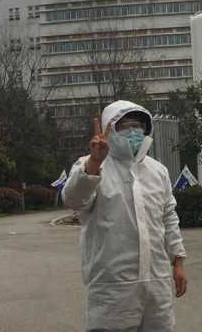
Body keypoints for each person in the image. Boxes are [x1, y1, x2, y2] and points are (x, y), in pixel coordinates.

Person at [62, 100, 187, 332]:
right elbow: (74, 200)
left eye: (138, 125)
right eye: (125, 125)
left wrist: (177, 261)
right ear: (110, 129)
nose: (133, 131)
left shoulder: (157, 171)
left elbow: (169, 217)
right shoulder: (90, 166)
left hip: (156, 281)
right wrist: (94, 163)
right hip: (111, 285)